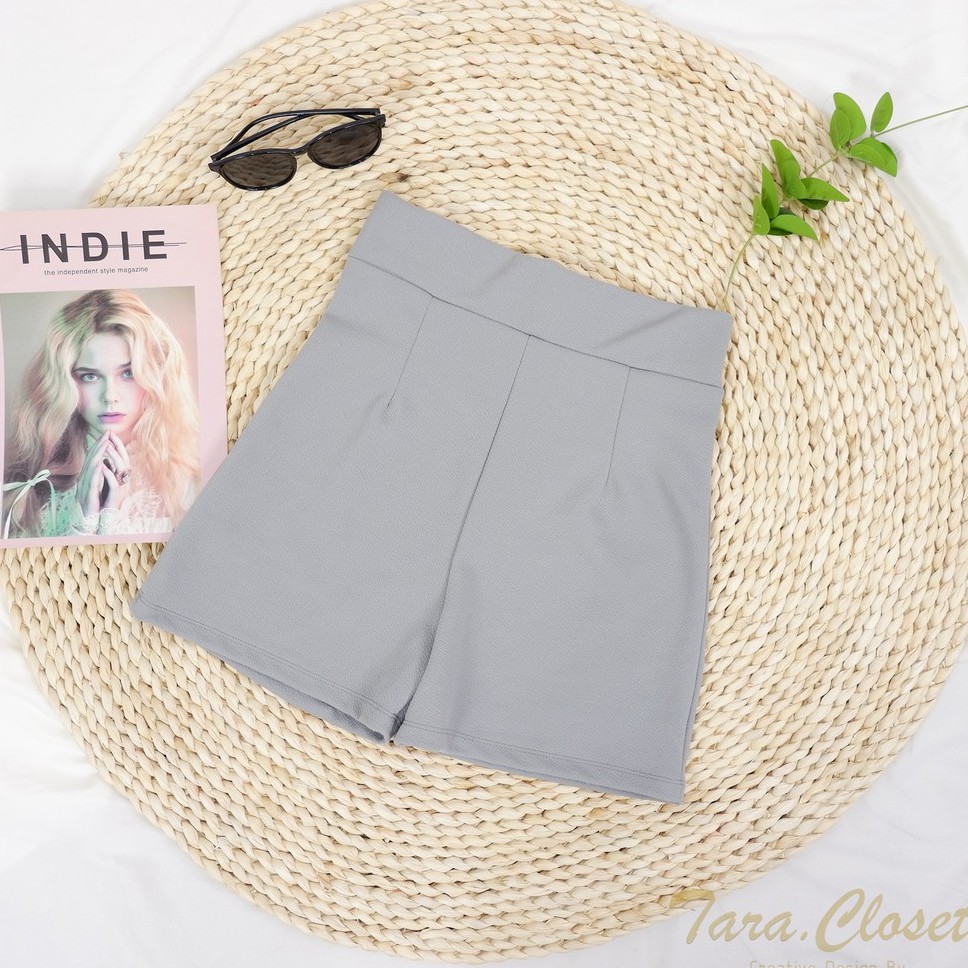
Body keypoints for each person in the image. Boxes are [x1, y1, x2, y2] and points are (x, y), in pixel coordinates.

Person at [2, 289, 200, 538]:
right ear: (64, 383)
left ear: (155, 374)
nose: (110, 396)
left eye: (128, 373)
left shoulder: (190, 480)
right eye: (90, 376)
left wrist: (110, 521)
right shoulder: (28, 478)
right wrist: (82, 522)